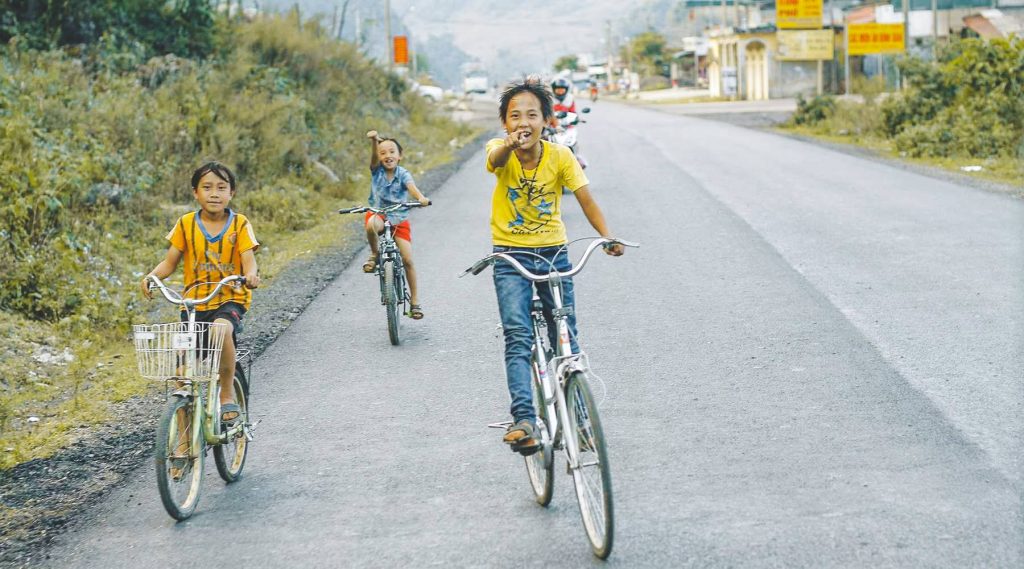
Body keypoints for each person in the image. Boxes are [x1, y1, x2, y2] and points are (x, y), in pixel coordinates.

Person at [485, 81, 624, 454]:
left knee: (566, 335)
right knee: (518, 336)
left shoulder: (561, 156)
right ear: (504, 123)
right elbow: (496, 160)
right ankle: (525, 420)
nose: (523, 122)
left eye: (532, 115)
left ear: (547, 121)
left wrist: (607, 236)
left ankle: (579, 423)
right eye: (515, 116)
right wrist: (510, 146)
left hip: (553, 254)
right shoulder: (500, 152)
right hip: (510, 257)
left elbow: (586, 200)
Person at [141, 161, 260, 425]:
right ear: (196, 192)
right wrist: (152, 276)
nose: (214, 193)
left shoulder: (239, 224)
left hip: (230, 297)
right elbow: (169, 262)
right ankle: (182, 445)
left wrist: (251, 274)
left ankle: (226, 395)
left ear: (232, 193)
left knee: (220, 330)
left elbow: (248, 258)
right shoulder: (185, 224)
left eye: (221, 187)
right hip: (194, 303)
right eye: (207, 187)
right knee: (183, 376)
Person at [363, 130, 431, 319]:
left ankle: (415, 302)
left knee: (408, 260)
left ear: (399, 156)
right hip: (379, 213)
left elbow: (412, 188)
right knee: (370, 226)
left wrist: (421, 198)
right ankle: (375, 254)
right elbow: (374, 157)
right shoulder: (377, 171)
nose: (387, 156)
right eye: (383, 153)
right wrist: (374, 142)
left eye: (392, 151)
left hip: (399, 218)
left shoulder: (403, 174)